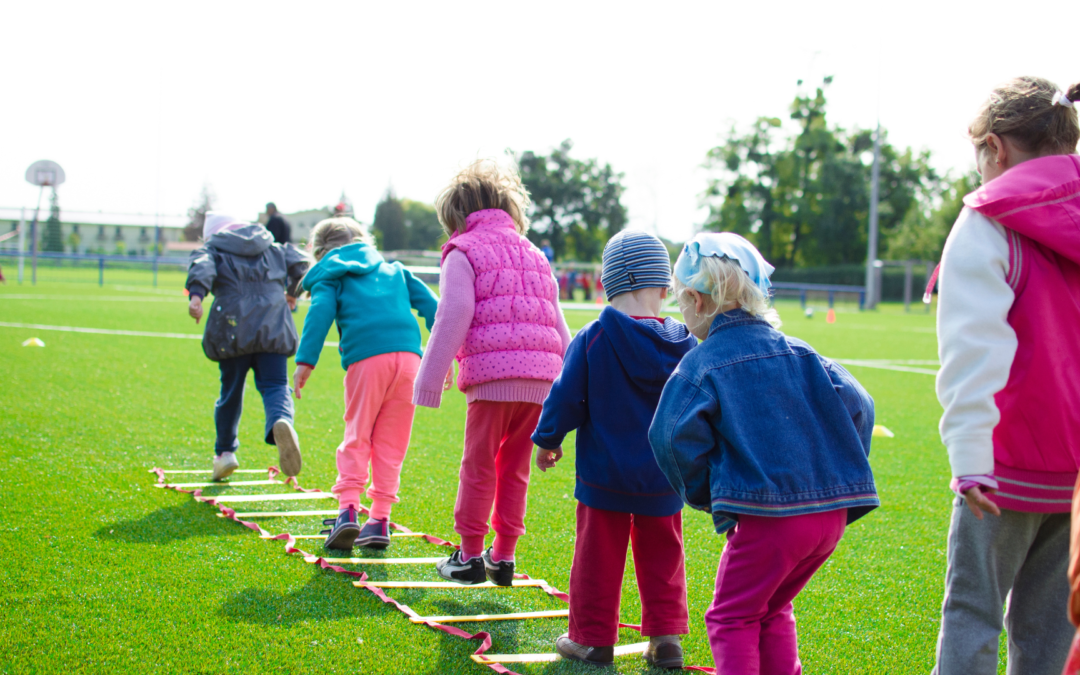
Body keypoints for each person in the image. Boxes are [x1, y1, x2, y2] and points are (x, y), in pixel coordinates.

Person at [649, 232, 878, 674]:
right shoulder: (804, 352)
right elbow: (860, 404)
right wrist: (836, 470)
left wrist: (707, 494)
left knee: (730, 616)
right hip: (828, 519)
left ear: (697, 300)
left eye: (681, 303)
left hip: (769, 521)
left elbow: (669, 436)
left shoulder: (701, 362)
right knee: (772, 608)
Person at [931, 76, 1080, 675]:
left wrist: (969, 455)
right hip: (1074, 476)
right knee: (1050, 629)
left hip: (1004, 461)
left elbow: (974, 348)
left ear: (995, 147)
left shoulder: (987, 221)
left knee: (973, 611)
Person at [532, 230, 696, 669]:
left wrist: (548, 440)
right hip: (664, 477)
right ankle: (666, 640)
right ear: (664, 288)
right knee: (664, 556)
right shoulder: (687, 344)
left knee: (596, 557)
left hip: (603, 475)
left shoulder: (593, 337)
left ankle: (592, 639)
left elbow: (566, 396)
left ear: (606, 284)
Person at [413, 159, 571, 585]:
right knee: (514, 468)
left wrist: (430, 378)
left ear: (457, 217)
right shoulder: (535, 254)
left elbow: (456, 311)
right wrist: (572, 389)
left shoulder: (462, 251)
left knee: (478, 465)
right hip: (542, 381)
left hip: (492, 378)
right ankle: (503, 556)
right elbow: (558, 323)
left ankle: (467, 556)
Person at [292, 217, 438, 550]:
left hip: (368, 360)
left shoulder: (331, 274)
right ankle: (380, 520)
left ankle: (347, 512)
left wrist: (305, 361)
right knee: (392, 443)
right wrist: (444, 355)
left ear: (319, 252)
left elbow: (321, 311)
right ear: (364, 241)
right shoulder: (396, 270)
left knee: (357, 434)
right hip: (410, 362)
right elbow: (435, 308)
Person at [185, 212, 309, 481]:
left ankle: (225, 453)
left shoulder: (214, 248)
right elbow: (301, 263)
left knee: (231, 391)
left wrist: (196, 295)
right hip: (274, 324)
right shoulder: (271, 245)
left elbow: (202, 266)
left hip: (232, 327)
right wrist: (292, 292)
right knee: (276, 384)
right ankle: (281, 420)